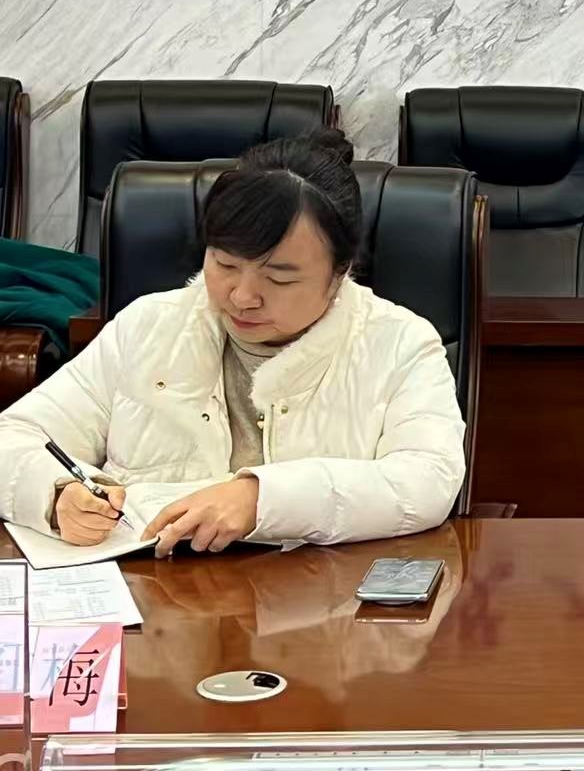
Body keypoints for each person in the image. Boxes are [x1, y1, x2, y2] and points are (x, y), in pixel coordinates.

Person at [0, 128, 466, 553]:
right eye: (224, 264)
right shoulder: (147, 326)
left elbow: (427, 481)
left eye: (279, 279)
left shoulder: (399, 343)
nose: (242, 297)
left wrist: (262, 498)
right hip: (151, 596)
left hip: (314, 603)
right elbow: (14, 437)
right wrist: (57, 493)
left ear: (339, 272)